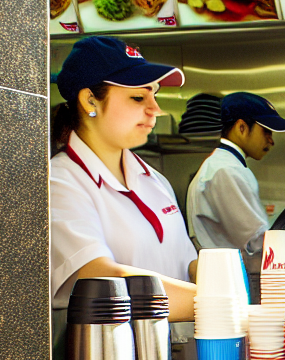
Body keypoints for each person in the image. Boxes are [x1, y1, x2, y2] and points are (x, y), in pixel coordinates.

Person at [50, 36, 198, 320]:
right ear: (90, 99)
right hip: (114, 358)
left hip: (178, 353)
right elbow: (99, 277)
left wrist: (217, 275)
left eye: (155, 94)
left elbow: (186, 261)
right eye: (138, 97)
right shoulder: (61, 183)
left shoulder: (154, 179)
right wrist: (215, 304)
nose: (155, 109)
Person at [186, 91, 285, 264]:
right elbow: (256, 242)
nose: (271, 141)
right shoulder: (226, 170)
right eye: (266, 131)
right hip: (228, 278)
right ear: (241, 128)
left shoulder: (224, 165)